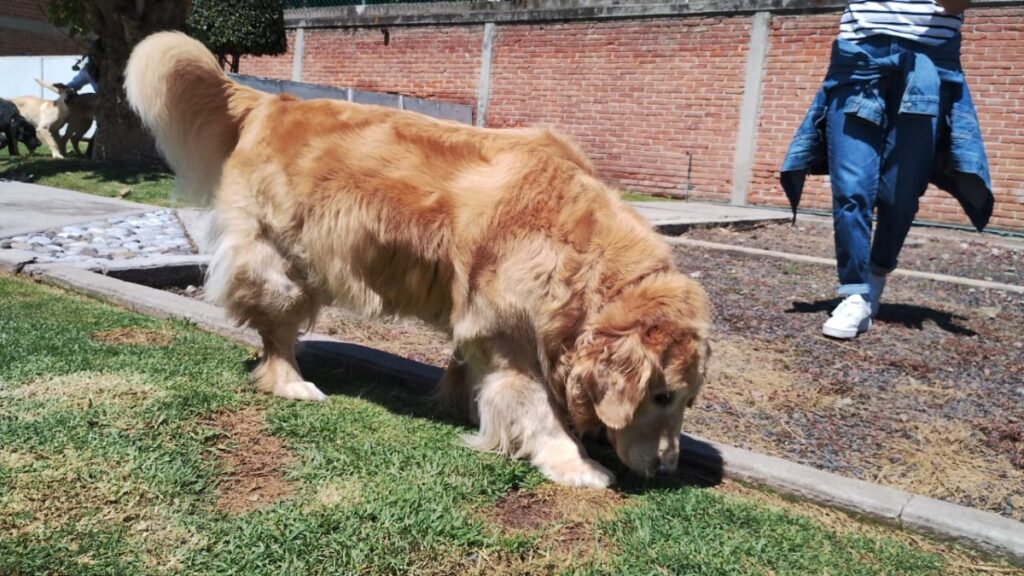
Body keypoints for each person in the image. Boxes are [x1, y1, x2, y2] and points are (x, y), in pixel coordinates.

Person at [780, 0, 994, 340]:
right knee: (851, 188)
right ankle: (854, 294)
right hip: (859, 63)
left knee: (900, 196)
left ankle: (877, 272)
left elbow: (957, 5)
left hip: (928, 66)